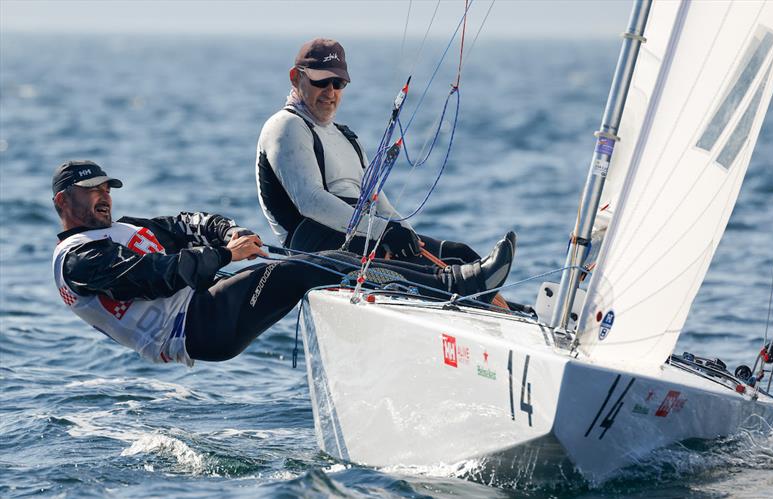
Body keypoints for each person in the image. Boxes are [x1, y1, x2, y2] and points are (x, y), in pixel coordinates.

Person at [52, 160, 515, 366]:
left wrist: (226, 232)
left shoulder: (120, 228)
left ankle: (458, 290)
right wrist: (226, 256)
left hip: (207, 307)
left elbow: (183, 223)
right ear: (63, 202)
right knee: (306, 268)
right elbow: (156, 277)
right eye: (92, 191)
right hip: (197, 329)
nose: (103, 197)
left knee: (329, 262)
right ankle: (454, 284)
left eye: (107, 189)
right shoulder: (78, 260)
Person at [255, 37, 492, 266]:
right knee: (446, 272)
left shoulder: (346, 137)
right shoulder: (285, 125)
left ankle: (497, 304)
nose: (330, 92)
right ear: (295, 78)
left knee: (461, 256)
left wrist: (408, 235)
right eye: (320, 82)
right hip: (317, 248)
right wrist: (385, 231)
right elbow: (311, 201)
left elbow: (379, 203)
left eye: (338, 84)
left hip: (363, 235)